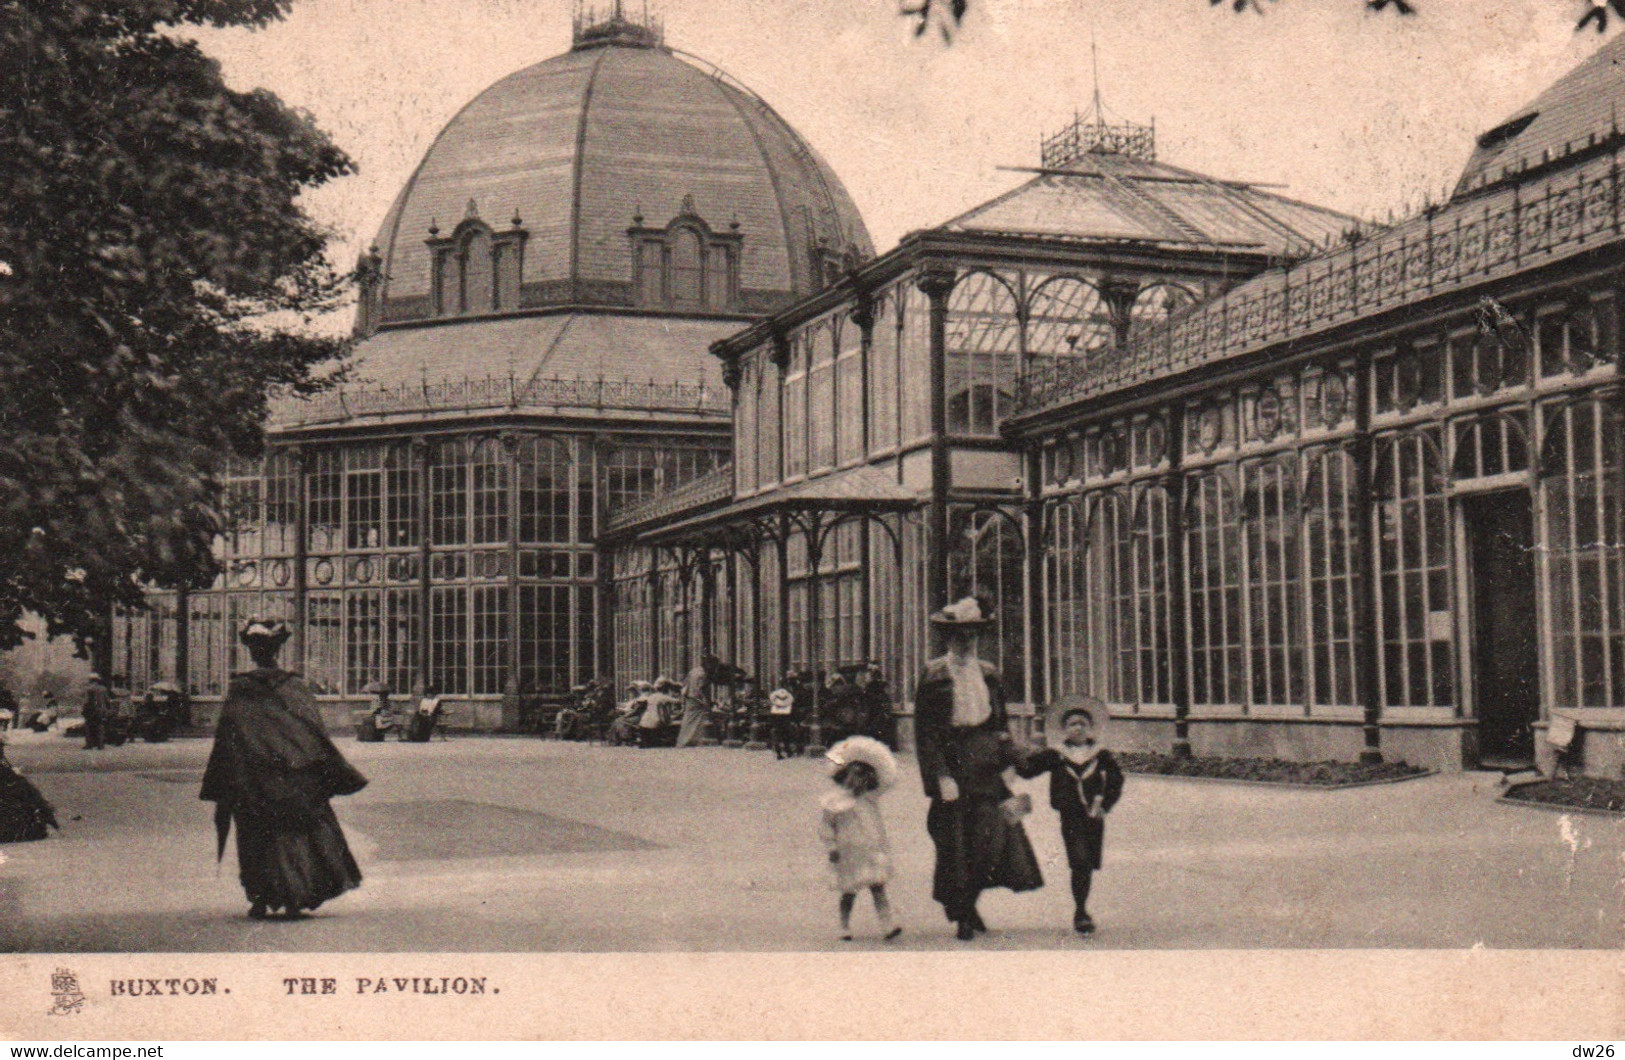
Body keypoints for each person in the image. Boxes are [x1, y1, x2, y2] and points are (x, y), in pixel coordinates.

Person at [199, 618, 366, 921]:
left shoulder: (241, 688)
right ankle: (293, 896)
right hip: (291, 776)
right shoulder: (294, 686)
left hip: (253, 777)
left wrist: (225, 778)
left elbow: (228, 736)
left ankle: (261, 899)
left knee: (254, 836)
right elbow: (313, 731)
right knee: (293, 835)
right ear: (277, 651)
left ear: (252, 652)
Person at [913, 595, 1043, 941]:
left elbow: (1000, 724)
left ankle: (968, 903)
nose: (966, 642)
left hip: (985, 761)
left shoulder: (989, 673)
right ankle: (963, 912)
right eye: (959, 636)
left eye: (972, 635)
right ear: (948, 638)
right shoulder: (933, 673)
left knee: (990, 840)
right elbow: (925, 732)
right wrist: (940, 776)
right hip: (952, 761)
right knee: (954, 842)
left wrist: (1009, 764)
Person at [1016, 701, 1124, 935]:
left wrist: (1105, 803)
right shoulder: (1056, 755)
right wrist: (1012, 753)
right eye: (1072, 724)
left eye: (1082, 724)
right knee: (1080, 860)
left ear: (1090, 728)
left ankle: (1081, 908)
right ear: (1065, 729)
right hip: (1070, 816)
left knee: (1087, 863)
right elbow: (1027, 770)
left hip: (1094, 816)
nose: (1077, 728)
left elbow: (1116, 780)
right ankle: (1081, 912)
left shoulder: (1100, 754)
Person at [820, 735, 903, 942]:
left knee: (878, 888)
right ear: (845, 776)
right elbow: (826, 826)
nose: (857, 782)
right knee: (849, 892)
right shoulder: (835, 802)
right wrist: (831, 846)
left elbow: (888, 783)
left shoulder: (869, 798)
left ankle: (887, 925)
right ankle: (843, 925)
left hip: (871, 850)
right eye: (853, 777)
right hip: (848, 853)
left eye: (863, 778)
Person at [675, 655, 715, 747]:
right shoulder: (702, 674)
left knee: (688, 720)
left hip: (689, 698)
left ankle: (682, 741)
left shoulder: (693, 671)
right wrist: (706, 702)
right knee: (699, 721)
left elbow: (685, 685)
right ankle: (694, 741)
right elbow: (700, 689)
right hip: (697, 700)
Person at [81, 674, 109, 751]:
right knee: (100, 726)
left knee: (88, 727)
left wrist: (83, 709)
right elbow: (107, 700)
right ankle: (100, 744)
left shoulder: (88, 689)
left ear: (90, 680)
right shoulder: (103, 689)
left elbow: (86, 701)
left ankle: (89, 744)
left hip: (91, 709)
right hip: (101, 710)